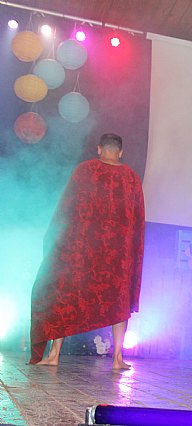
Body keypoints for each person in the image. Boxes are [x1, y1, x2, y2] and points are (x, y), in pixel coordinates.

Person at [30, 133, 145, 370]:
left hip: (82, 251)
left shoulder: (85, 170)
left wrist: (56, 240)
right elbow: (137, 222)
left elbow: (66, 209)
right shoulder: (131, 178)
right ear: (120, 152)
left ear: (99, 149)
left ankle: (54, 355)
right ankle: (117, 359)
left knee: (64, 294)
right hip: (117, 256)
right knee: (118, 301)